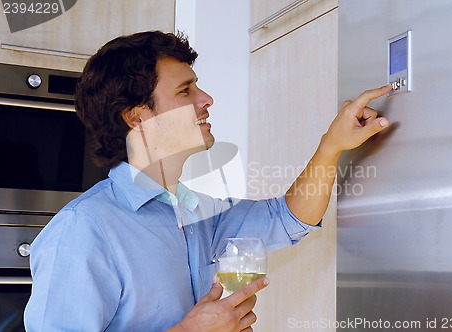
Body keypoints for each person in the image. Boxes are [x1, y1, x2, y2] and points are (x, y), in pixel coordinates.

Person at [24, 30, 391, 331]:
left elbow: (289, 217)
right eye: (185, 91)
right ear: (137, 118)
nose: (207, 99)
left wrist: (332, 146)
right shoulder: (82, 231)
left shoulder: (198, 215)